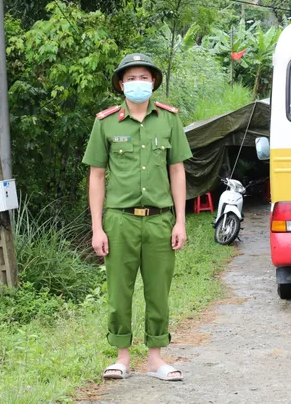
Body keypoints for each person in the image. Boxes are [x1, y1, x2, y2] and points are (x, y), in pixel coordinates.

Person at [81, 52, 192, 382]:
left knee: (158, 291)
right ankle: (122, 358)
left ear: (153, 82)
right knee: (119, 293)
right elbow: (96, 176)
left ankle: (156, 359)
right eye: (131, 78)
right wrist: (97, 227)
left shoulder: (168, 120)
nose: (137, 83)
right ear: (120, 85)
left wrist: (180, 221)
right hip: (120, 221)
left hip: (160, 220)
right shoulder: (106, 122)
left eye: (144, 77)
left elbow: (177, 170)